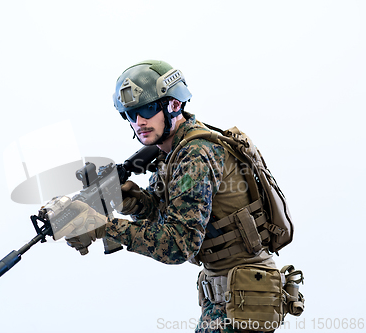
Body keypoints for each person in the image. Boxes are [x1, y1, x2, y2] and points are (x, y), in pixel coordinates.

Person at [60, 60, 279, 333]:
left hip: (242, 301)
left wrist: (103, 226)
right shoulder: (172, 152)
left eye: (148, 109)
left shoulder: (196, 154)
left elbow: (179, 244)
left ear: (174, 104)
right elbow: (167, 210)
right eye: (130, 114)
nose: (139, 121)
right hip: (229, 296)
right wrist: (134, 201)